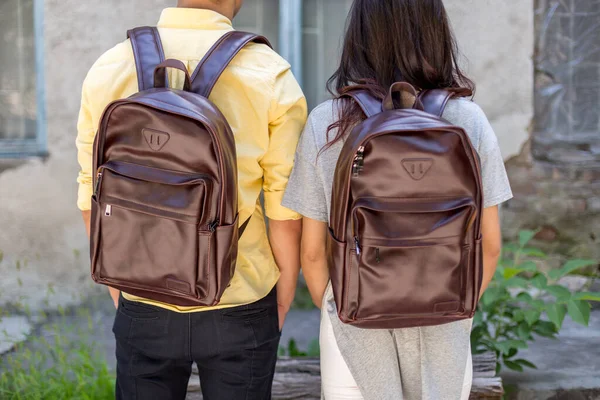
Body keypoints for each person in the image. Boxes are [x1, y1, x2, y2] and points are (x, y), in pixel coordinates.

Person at [282, 0, 513, 399]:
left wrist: (345, 314)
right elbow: (489, 247)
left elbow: (314, 255)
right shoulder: (467, 120)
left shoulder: (328, 123)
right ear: (436, 34)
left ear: (359, 36)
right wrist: (453, 310)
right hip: (445, 323)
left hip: (353, 325)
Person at [76, 1, 306, 399]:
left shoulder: (111, 67)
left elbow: (89, 196)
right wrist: (281, 299)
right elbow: (284, 212)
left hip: (141, 296)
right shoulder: (269, 74)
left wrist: (123, 291)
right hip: (239, 300)